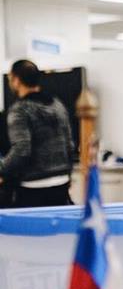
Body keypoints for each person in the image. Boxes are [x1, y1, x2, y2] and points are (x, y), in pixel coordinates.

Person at [0, 60, 74, 207]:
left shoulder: (20, 110)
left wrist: (2, 170)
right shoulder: (57, 104)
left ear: (16, 80)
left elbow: (21, 150)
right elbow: (69, 144)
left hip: (33, 187)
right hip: (61, 182)